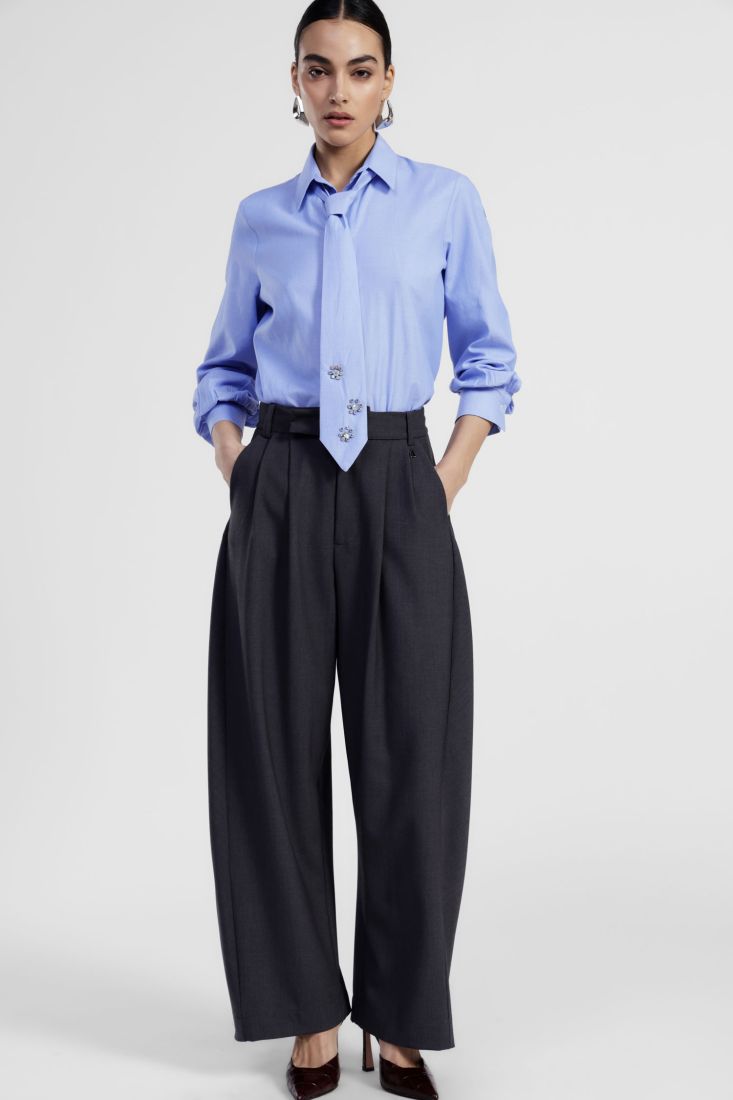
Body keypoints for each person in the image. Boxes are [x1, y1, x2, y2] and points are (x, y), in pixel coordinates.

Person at [192, 2, 520, 1097]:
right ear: (294, 82)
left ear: (388, 81)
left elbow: (488, 358)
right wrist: (243, 468)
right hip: (282, 482)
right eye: (319, 69)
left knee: (414, 760)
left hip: (398, 478)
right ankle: (306, 1014)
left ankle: (401, 1013)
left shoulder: (443, 201)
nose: (339, 90)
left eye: (361, 69)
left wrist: (441, 479)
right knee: (270, 759)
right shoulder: (260, 218)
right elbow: (221, 370)